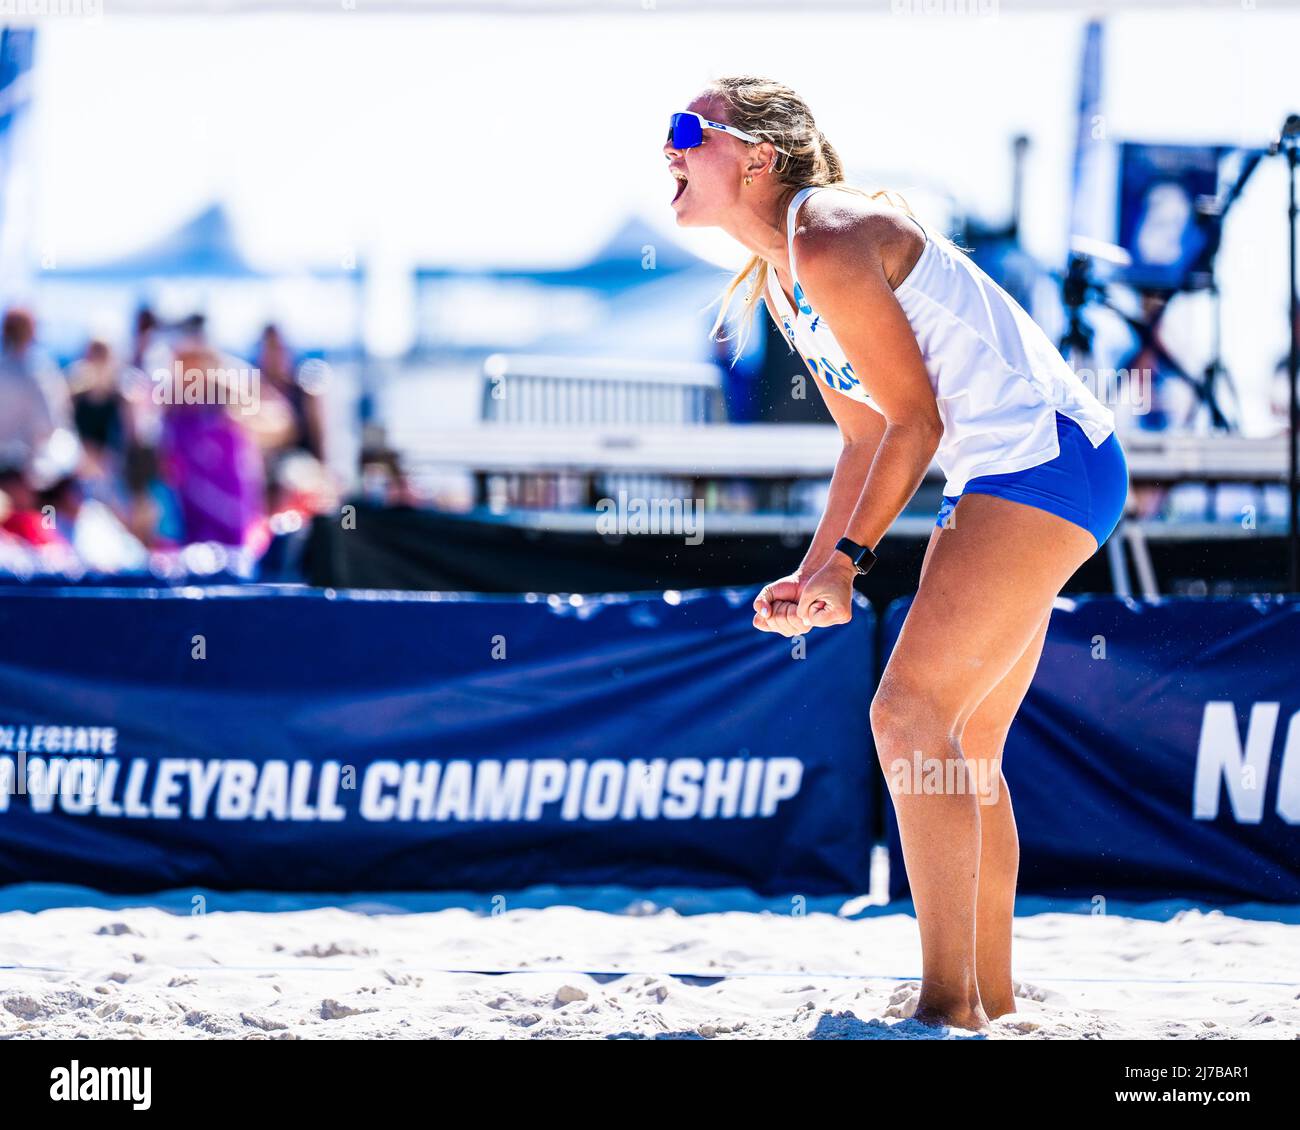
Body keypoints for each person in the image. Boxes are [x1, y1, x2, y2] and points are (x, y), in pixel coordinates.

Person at [665, 77, 1129, 1031]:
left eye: (686, 131)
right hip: (1038, 466)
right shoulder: (782, 281)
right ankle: (990, 1003)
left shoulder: (825, 232)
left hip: (1037, 461)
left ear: (756, 154)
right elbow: (864, 435)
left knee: (910, 717)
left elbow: (913, 424)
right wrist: (814, 565)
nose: (666, 150)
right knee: (964, 751)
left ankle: (946, 1007)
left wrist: (850, 560)